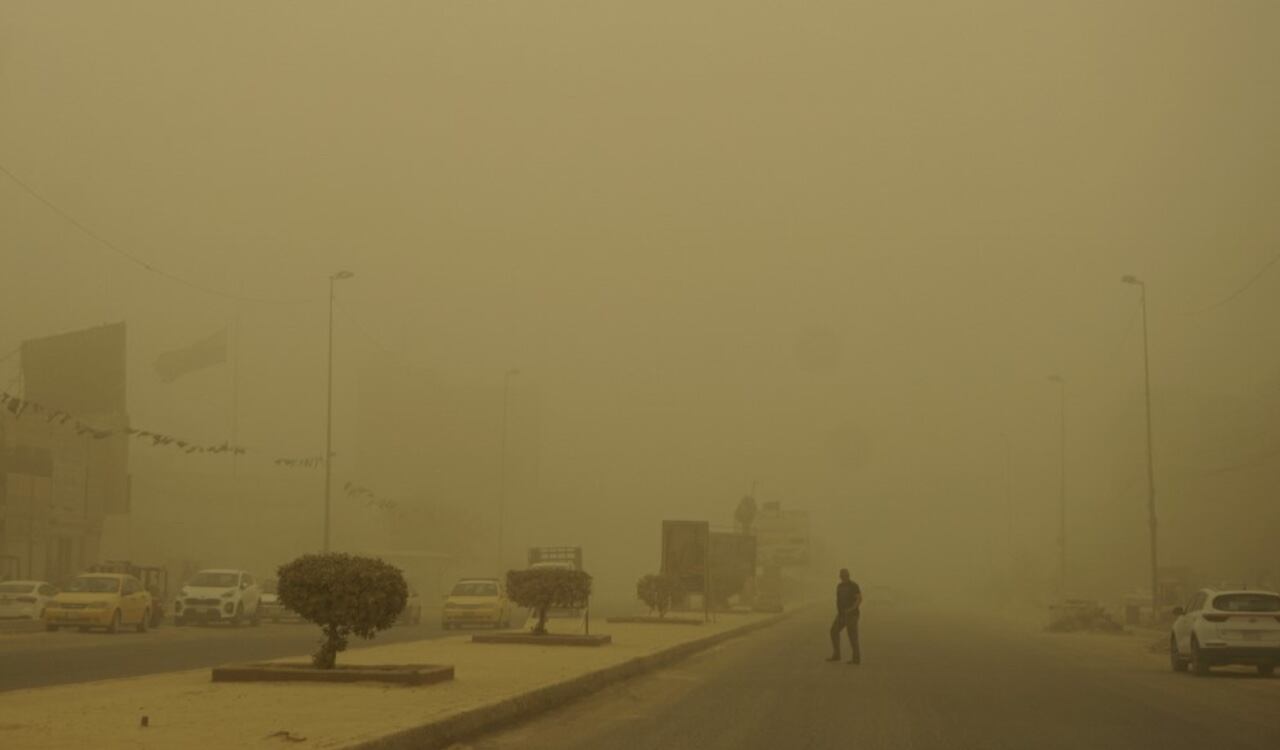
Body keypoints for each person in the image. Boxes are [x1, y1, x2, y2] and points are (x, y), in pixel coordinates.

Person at [827, 568, 862, 664]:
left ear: (848, 575)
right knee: (833, 631)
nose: (843, 577)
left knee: (852, 636)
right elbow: (838, 600)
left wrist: (851, 609)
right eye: (842, 575)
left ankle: (856, 658)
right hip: (841, 615)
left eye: (845, 575)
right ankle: (837, 654)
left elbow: (859, 599)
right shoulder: (839, 586)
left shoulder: (853, 585)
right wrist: (840, 611)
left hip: (852, 615)